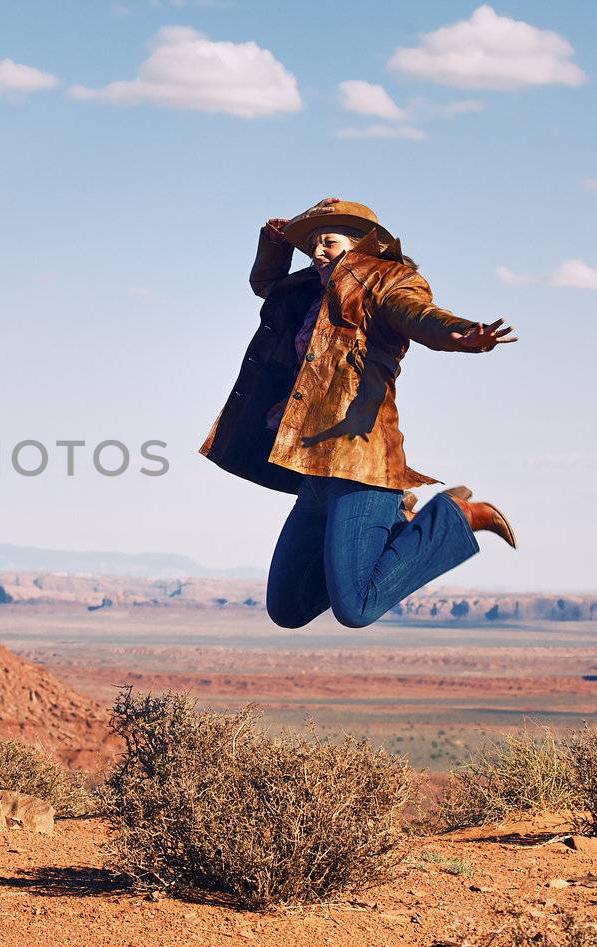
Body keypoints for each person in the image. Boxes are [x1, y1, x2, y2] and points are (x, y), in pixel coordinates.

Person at [198, 197, 517, 629]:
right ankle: (401, 522)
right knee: (288, 608)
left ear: (360, 245)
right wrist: (274, 245)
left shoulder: (385, 281)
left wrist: (458, 334)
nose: (317, 252)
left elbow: (419, 314)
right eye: (311, 245)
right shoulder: (310, 292)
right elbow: (267, 286)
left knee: (356, 608)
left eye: (328, 242)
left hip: (360, 467)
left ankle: (454, 518)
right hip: (314, 476)